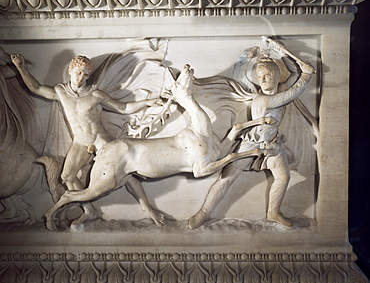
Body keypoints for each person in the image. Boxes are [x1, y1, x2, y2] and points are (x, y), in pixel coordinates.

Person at [11, 54, 166, 228]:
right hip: (81, 142)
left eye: (85, 75)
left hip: (100, 140)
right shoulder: (61, 92)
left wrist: (149, 102)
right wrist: (20, 67)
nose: (81, 77)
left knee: (125, 172)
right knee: (67, 176)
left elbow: (123, 108)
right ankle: (89, 211)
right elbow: (36, 88)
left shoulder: (96, 94)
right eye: (78, 72)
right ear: (70, 70)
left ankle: (148, 208)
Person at [188, 42, 316, 229]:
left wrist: (284, 55)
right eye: (260, 76)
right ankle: (203, 213)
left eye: (267, 76)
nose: (263, 80)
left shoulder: (279, 90)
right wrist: (306, 76)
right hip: (251, 144)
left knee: (283, 176)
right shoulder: (263, 100)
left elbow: (294, 76)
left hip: (273, 144)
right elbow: (294, 90)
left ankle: (273, 212)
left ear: (276, 76)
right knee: (226, 179)